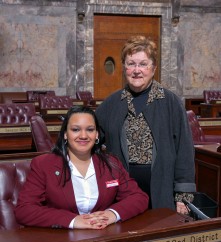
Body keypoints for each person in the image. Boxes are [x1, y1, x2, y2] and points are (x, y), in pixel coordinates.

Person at [95, 35, 196, 214]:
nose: (136, 70)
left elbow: (184, 149)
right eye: (131, 63)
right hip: (122, 191)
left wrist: (183, 195)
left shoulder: (171, 102)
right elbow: (91, 141)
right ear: (124, 67)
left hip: (162, 188)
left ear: (153, 68)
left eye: (143, 64)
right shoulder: (111, 103)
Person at [15, 106, 149, 229]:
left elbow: (139, 197)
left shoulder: (111, 163)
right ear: (65, 134)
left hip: (104, 236)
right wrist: (73, 220)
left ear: (97, 135)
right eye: (76, 129)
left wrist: (112, 214)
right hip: (61, 240)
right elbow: (24, 210)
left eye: (90, 130)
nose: (83, 136)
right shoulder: (44, 164)